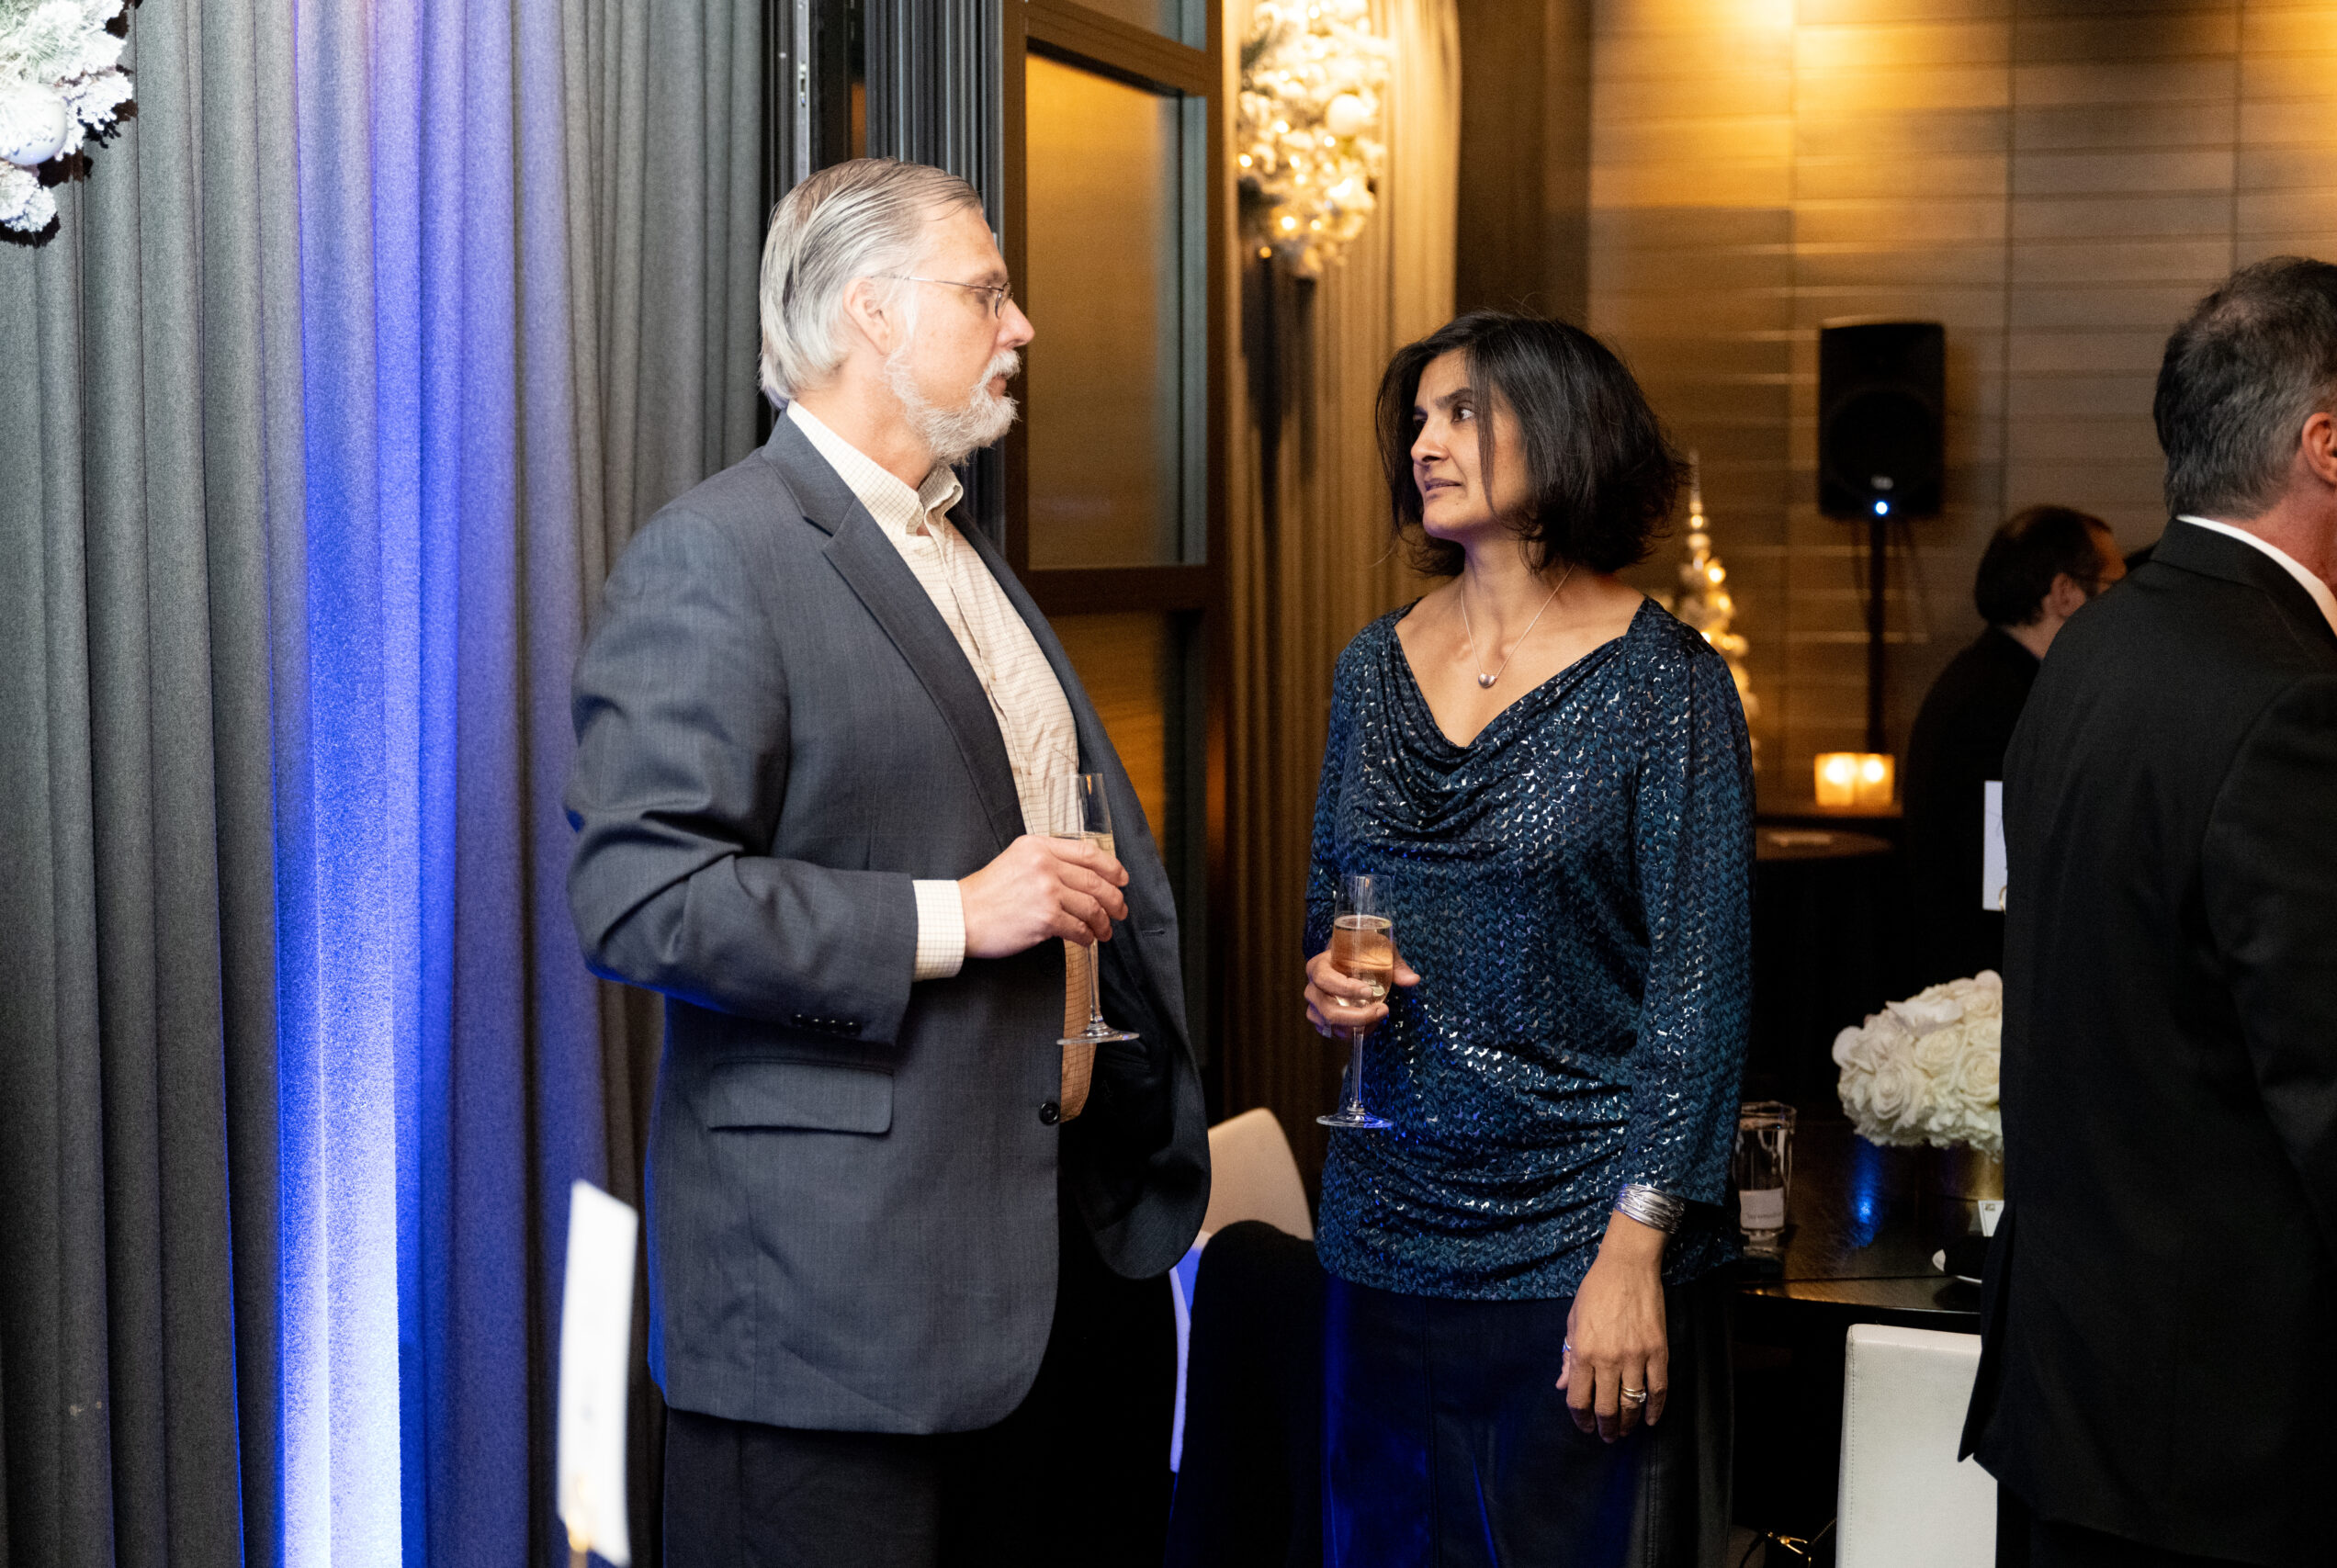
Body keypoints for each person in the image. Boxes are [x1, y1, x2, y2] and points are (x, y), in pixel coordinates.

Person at [565, 158, 1209, 1567]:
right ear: (871, 310)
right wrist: (954, 914)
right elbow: (640, 895)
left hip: (1063, 1266)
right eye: (986, 292)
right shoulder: (716, 555)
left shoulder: (961, 544)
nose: (1020, 324)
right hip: (835, 1315)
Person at [1298, 312, 1751, 1565]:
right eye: (1419, 418)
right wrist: (1326, 981)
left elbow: (1700, 994)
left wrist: (1635, 1247)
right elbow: (1329, 915)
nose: (1423, 442)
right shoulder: (1370, 667)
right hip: (1381, 1228)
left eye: (1463, 413)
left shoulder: (1665, 682)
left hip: (1579, 1242)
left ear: (1561, 434)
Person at [1961, 256, 2337, 1567]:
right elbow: (2331, 1084)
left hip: (2076, 1391)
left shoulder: (2098, 646)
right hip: (2228, 1434)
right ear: (2329, 445)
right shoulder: (2289, 695)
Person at [1902, 505, 2123, 985]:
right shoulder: (1997, 702)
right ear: (2065, 593)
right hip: (1988, 981)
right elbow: (2005, 883)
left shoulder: (1998, 678)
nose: (2125, 611)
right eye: (2115, 588)